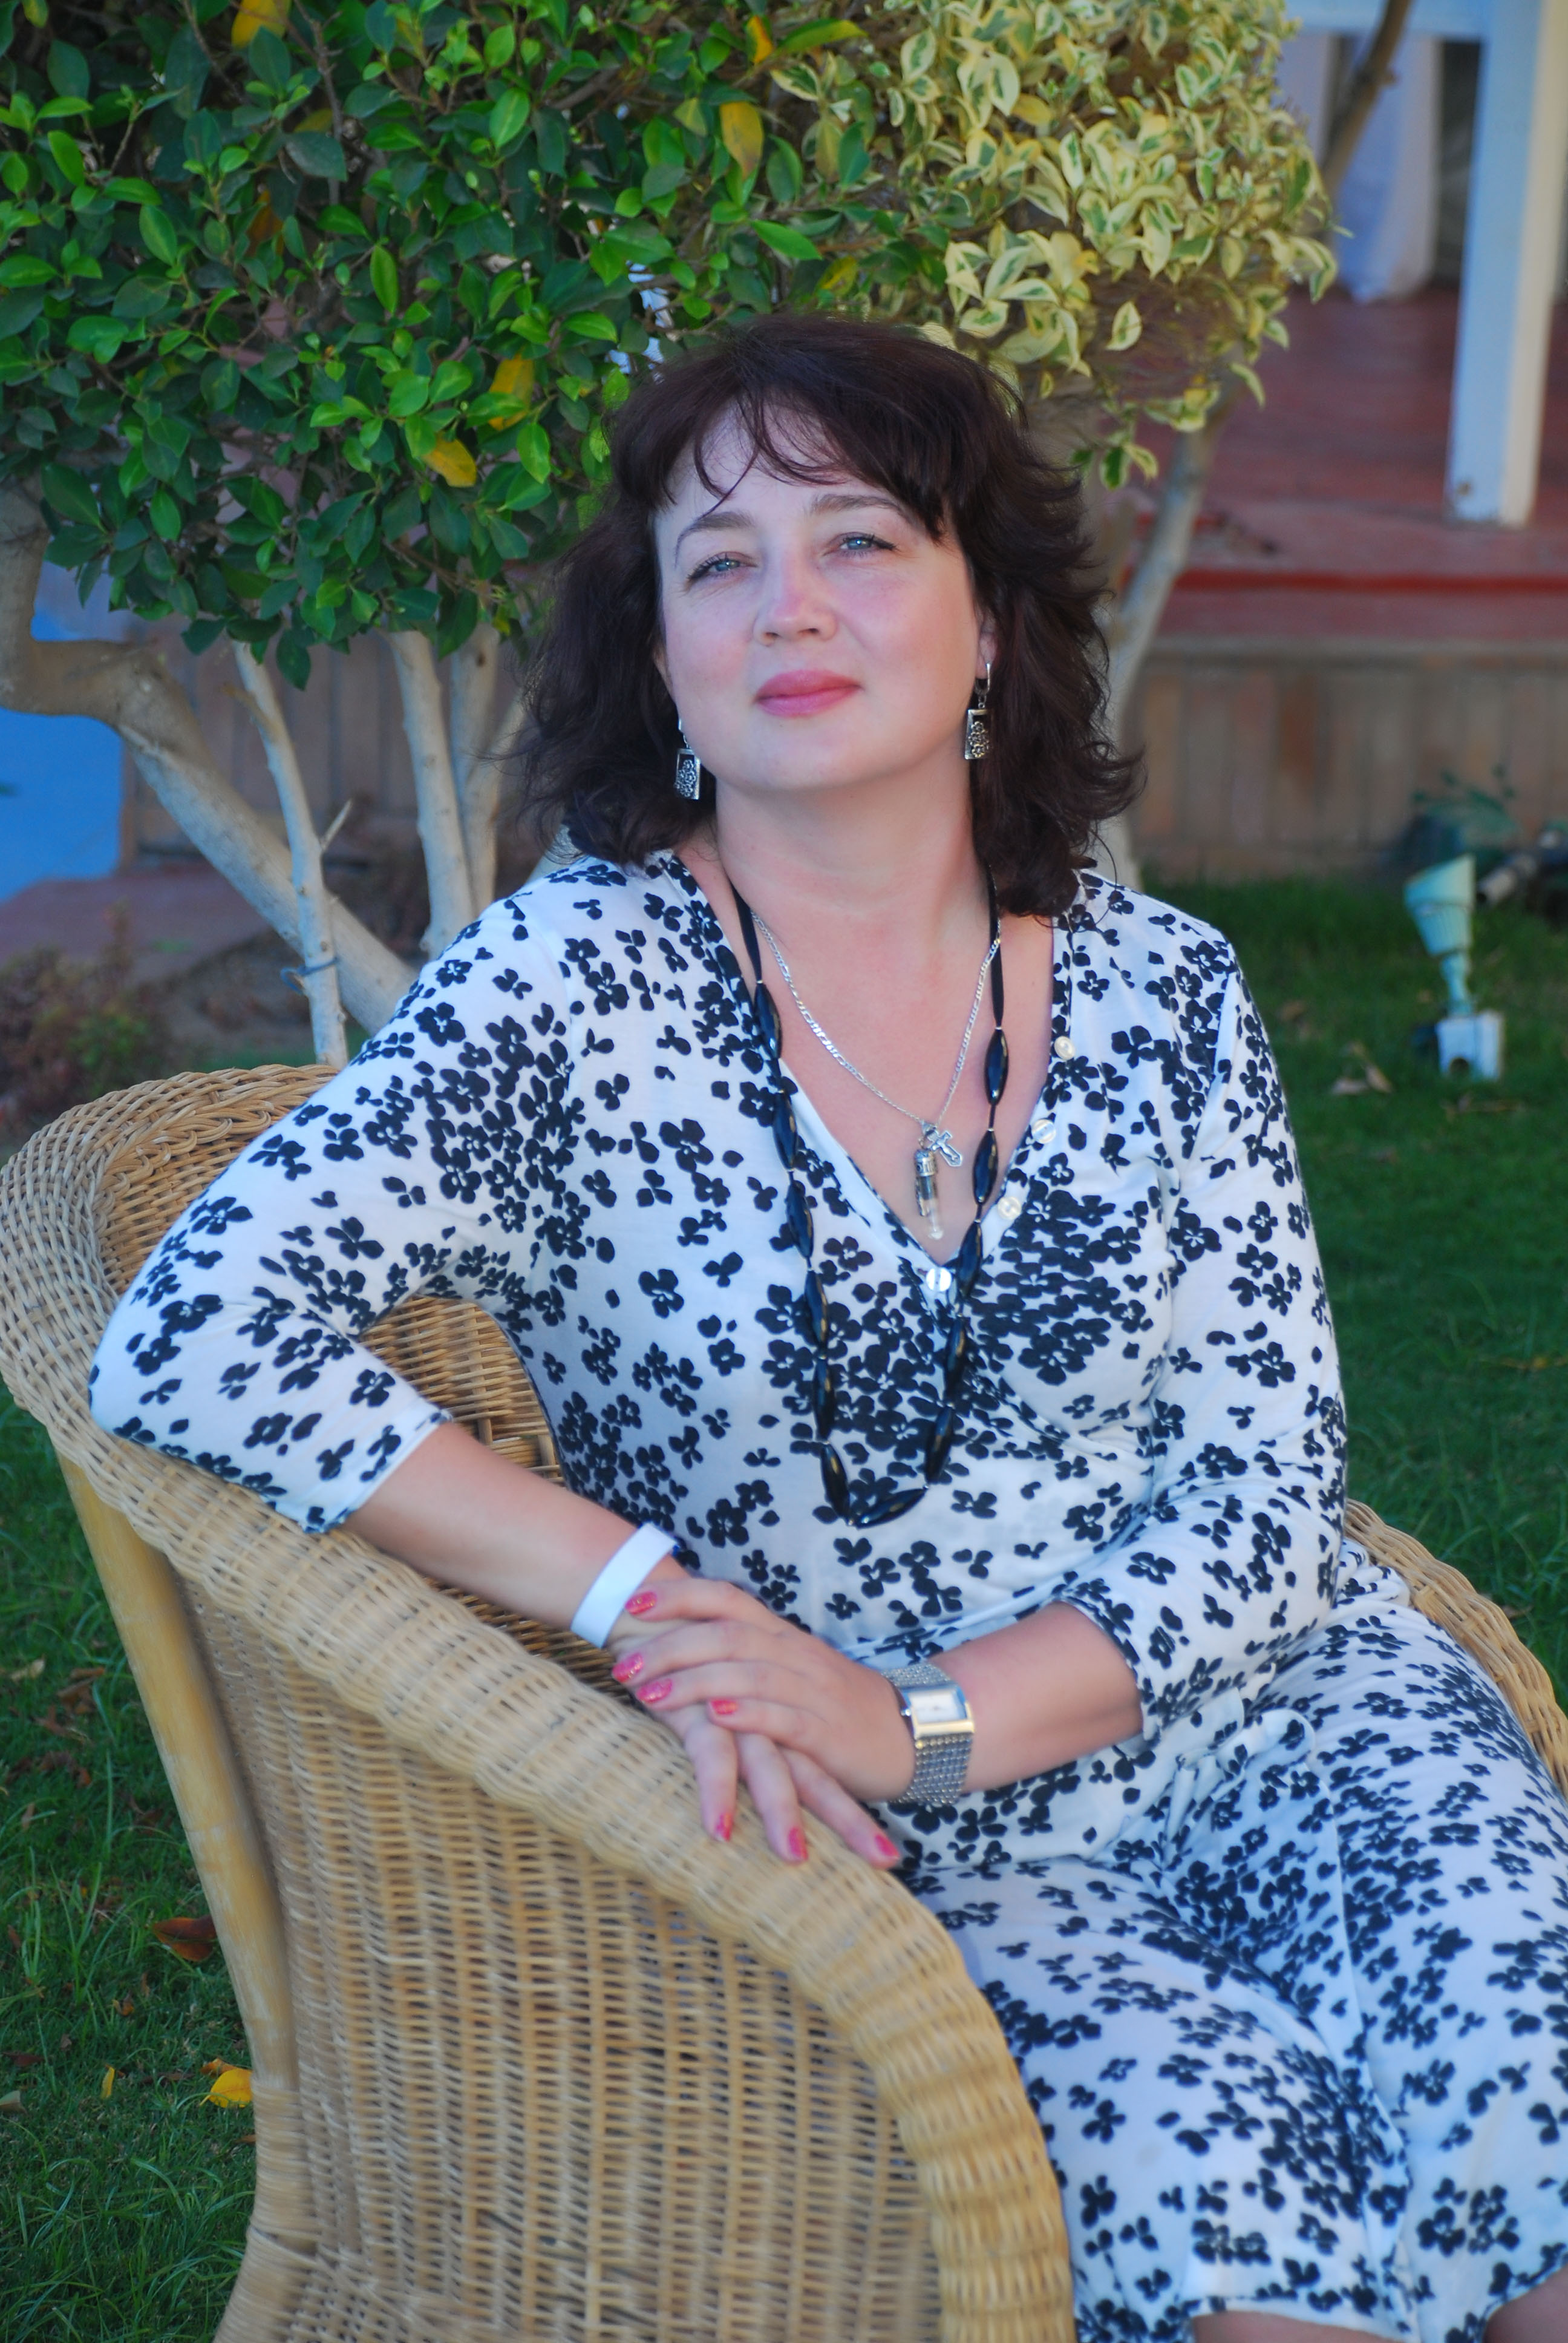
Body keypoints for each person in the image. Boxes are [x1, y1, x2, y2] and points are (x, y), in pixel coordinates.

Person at [90, 315, 1568, 2343]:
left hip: (1287, 1718)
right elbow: (191, 1331)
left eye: (859, 539)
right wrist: (642, 1597)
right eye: (720, 562)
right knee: (1244, 2245)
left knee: (1538, 2121)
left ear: (990, 629)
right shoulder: (572, 993)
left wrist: (931, 1709)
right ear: (668, 664)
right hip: (909, 1861)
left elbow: (1265, 1491)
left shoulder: (1167, 989)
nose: (786, 603)